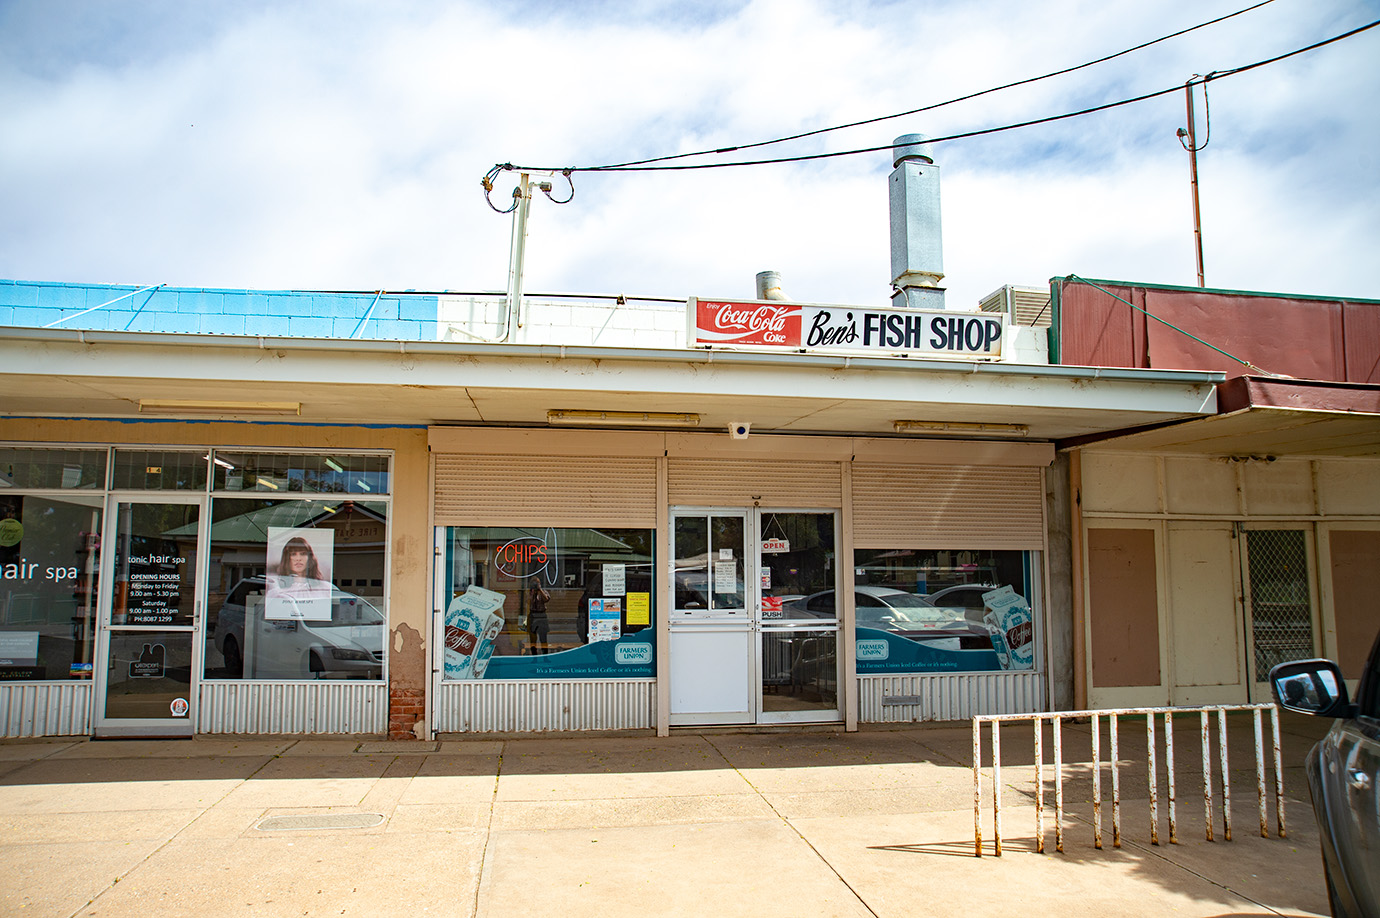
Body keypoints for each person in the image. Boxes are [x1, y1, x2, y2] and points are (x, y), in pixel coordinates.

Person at [267, 536, 331, 620]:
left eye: (303, 553)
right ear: (287, 558)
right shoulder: (276, 592)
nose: (298, 559)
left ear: (309, 558)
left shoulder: (326, 589)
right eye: (293, 554)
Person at [527, 582, 551, 654]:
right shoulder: (530, 593)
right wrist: (533, 593)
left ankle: (545, 656)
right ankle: (534, 656)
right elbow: (528, 602)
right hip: (533, 615)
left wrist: (540, 590)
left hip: (542, 615)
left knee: (543, 638)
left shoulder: (543, 591)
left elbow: (546, 599)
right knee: (533, 639)